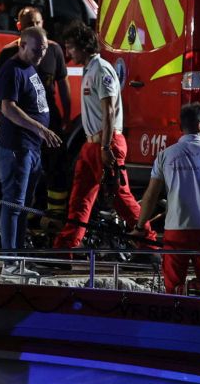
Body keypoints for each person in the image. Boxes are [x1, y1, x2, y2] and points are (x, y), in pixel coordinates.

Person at [55, 24, 142, 249]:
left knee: (120, 198)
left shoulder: (101, 70)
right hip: (93, 144)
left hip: (106, 142)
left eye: (71, 47)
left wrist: (105, 149)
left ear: (84, 47)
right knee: (79, 199)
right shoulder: (91, 70)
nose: (69, 53)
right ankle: (66, 250)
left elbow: (109, 110)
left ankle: (149, 244)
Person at [136, 102, 200, 295]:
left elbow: (150, 196)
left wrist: (140, 227)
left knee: (172, 288)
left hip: (175, 232)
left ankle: (175, 319)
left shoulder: (165, 156)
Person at [0, 6, 72, 229]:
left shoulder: (50, 51)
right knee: (16, 199)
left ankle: (53, 216)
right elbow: (2, 98)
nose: (35, 28)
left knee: (54, 169)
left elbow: (63, 86)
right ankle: (12, 254)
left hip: (44, 128)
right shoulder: (11, 58)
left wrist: (65, 116)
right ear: (21, 30)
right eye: (29, 25)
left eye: (37, 23)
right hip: (23, 134)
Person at [0, 26, 61, 276]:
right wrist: (40, 130)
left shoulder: (30, 66)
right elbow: (8, 109)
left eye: (44, 50)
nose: (40, 55)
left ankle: (18, 258)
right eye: (36, 50)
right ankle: (9, 263)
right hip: (18, 148)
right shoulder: (11, 70)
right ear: (22, 45)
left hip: (31, 148)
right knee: (13, 203)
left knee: (24, 205)